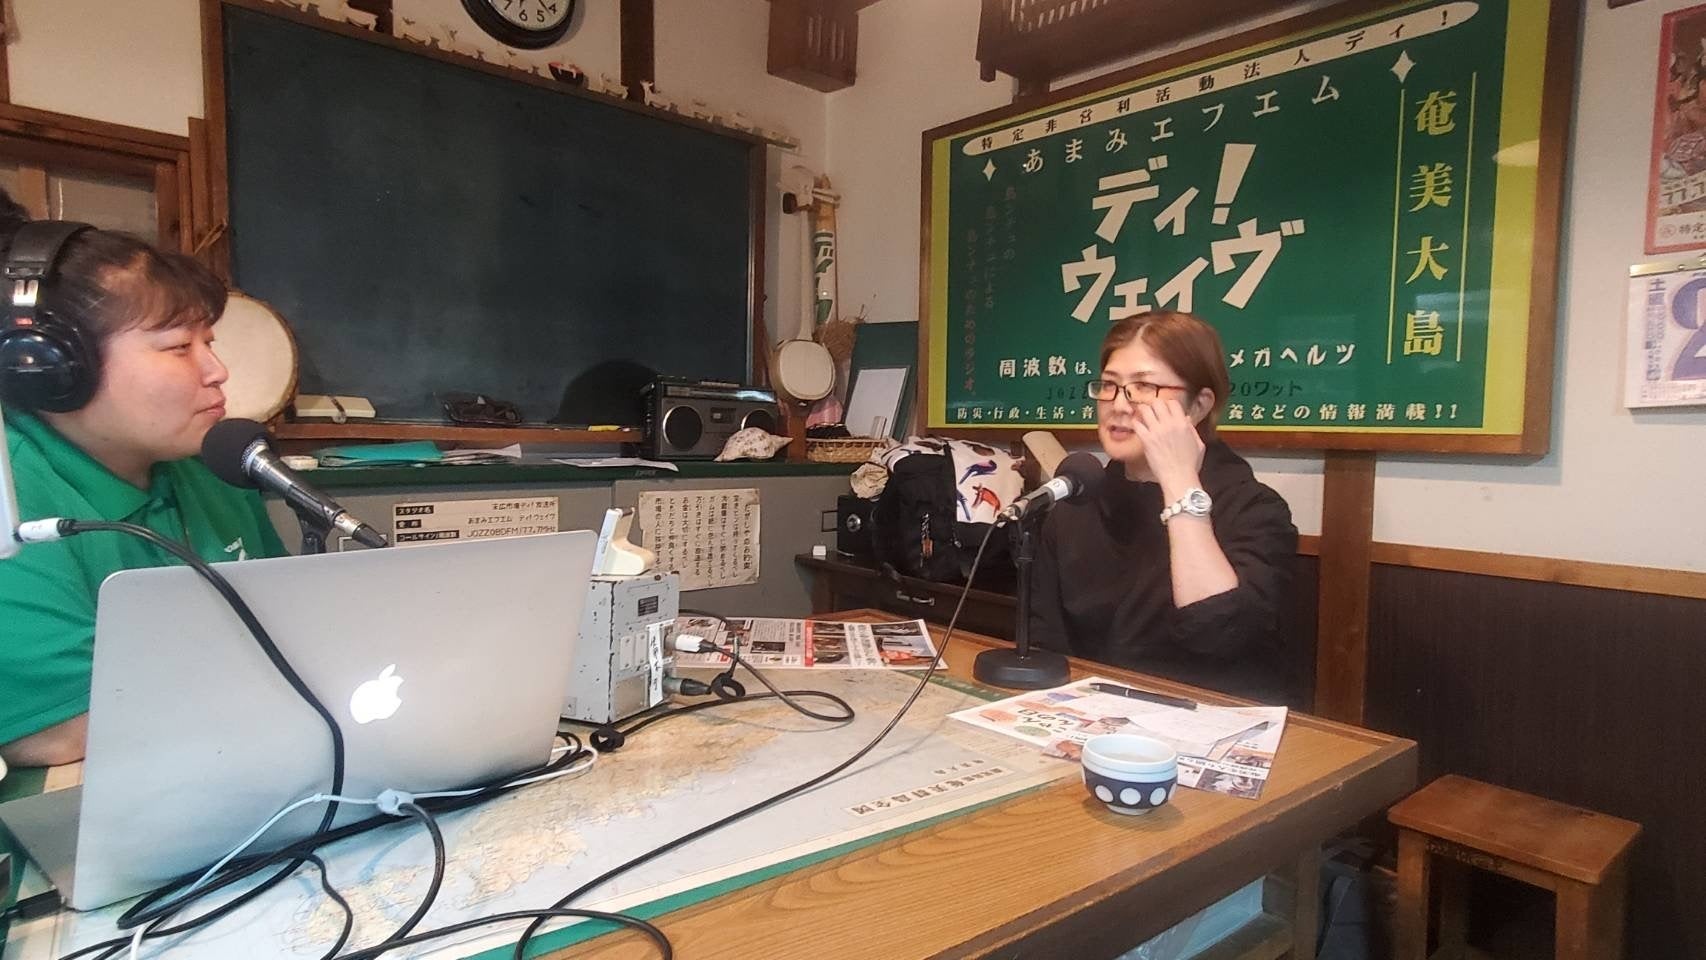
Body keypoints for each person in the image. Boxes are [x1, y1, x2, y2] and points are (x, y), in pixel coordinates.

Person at [0, 193, 286, 768]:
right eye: (179, 347)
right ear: (53, 369)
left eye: (209, 343)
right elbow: (62, 729)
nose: (218, 371)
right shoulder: (10, 494)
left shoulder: (212, 462)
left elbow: (293, 627)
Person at [1030, 312, 1298, 704]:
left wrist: (1177, 477)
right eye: (1109, 385)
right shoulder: (1076, 507)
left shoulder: (1255, 509)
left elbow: (1218, 632)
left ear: (1198, 405)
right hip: (1089, 717)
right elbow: (1047, 644)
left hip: (1211, 720)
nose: (1119, 405)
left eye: (1144, 387)